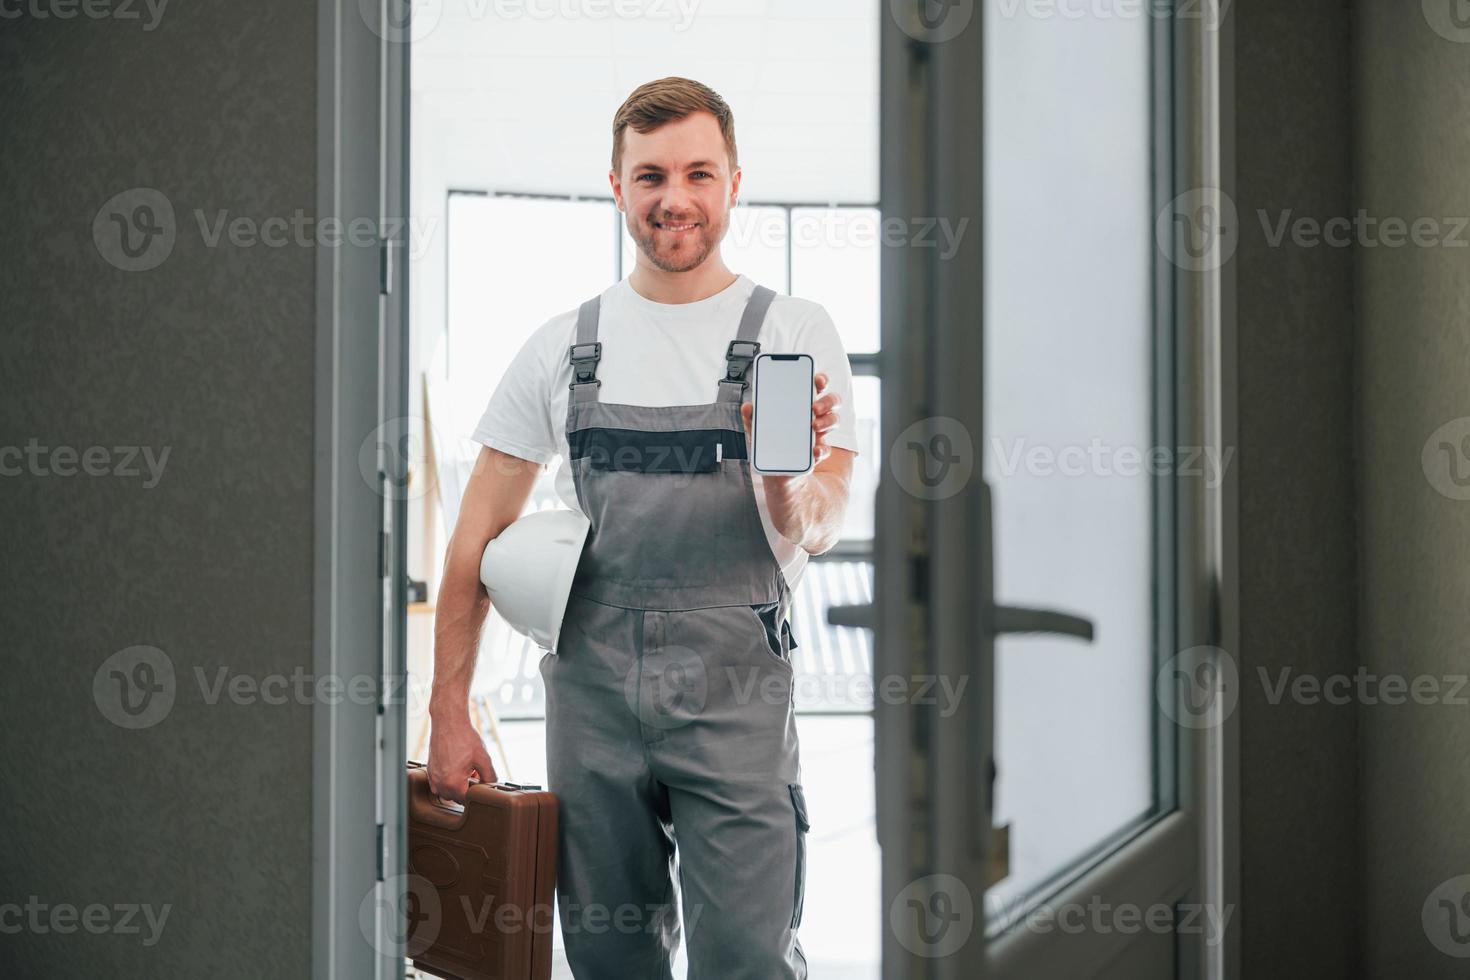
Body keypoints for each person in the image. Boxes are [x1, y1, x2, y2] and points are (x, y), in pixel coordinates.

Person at [427, 76, 858, 979]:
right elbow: (472, 540)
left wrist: (783, 488)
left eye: (700, 173)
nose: (676, 198)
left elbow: (819, 519)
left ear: (734, 183)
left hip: (737, 686)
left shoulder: (793, 329)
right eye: (651, 174)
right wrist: (449, 711)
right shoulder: (561, 346)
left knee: (748, 952)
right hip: (594, 692)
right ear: (618, 185)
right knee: (609, 951)